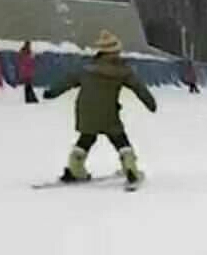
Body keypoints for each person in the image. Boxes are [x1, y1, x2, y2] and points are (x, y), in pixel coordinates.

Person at [44, 29, 157, 185]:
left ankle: (75, 168)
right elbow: (139, 88)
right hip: (109, 112)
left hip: (85, 109)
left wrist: (51, 92)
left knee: (86, 137)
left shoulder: (87, 69)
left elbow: (68, 81)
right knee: (119, 139)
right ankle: (130, 167)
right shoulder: (122, 70)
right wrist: (150, 103)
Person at [18, 40, 38, 105]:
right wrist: (32, 58)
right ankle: (31, 99)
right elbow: (29, 62)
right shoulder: (27, 53)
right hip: (27, 72)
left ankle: (29, 99)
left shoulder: (23, 52)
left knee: (28, 87)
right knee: (28, 87)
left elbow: (23, 62)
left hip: (26, 72)